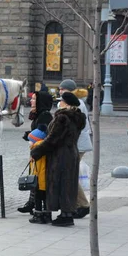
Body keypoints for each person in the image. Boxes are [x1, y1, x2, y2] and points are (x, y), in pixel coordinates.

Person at [30, 92, 86, 227]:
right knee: (68, 183)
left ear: (66, 103)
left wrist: (37, 150)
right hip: (71, 152)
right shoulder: (77, 117)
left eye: (61, 101)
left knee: (60, 183)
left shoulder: (62, 118)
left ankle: (65, 216)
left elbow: (53, 139)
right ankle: (67, 213)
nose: (59, 103)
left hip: (60, 155)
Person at [58, 79, 92, 219]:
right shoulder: (78, 102)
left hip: (77, 144)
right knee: (70, 173)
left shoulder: (75, 104)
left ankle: (82, 205)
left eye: (63, 89)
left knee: (70, 174)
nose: (60, 91)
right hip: (79, 143)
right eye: (60, 89)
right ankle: (78, 204)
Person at [18, 91, 53, 214]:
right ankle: (32, 202)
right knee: (34, 176)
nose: (31, 101)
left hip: (40, 151)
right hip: (35, 149)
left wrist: (31, 136)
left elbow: (44, 134)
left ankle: (38, 206)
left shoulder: (45, 115)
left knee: (38, 179)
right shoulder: (39, 114)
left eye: (34, 99)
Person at [27, 124, 50, 224]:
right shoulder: (44, 146)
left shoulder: (37, 149)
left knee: (38, 198)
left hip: (39, 180)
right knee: (45, 198)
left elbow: (36, 168)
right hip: (45, 179)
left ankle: (38, 215)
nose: (29, 142)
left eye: (30, 140)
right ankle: (47, 215)